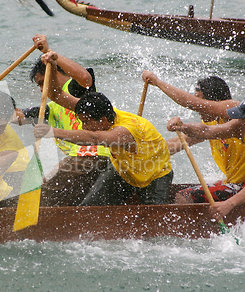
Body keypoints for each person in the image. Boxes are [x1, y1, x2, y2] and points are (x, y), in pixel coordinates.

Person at [34, 51, 173, 205]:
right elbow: (56, 95)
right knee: (89, 208)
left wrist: (53, 132)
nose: (84, 126)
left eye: (86, 123)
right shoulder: (95, 111)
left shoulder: (124, 131)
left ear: (103, 120)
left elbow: (94, 138)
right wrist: (53, 66)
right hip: (124, 171)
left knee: (156, 218)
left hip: (154, 175)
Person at [14, 34, 111, 206]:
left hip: (96, 157)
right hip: (81, 164)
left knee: (40, 194)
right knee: (41, 186)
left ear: (55, 71)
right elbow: (19, 117)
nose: (42, 89)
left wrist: (51, 54)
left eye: (42, 82)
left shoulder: (75, 90)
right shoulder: (49, 107)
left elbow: (85, 78)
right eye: (39, 85)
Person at [141, 71, 245, 204]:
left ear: (213, 100)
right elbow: (181, 142)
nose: (197, 108)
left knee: (184, 196)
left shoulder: (236, 112)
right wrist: (143, 153)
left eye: (200, 99)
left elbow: (191, 103)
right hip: (233, 183)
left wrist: (158, 82)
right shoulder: (211, 124)